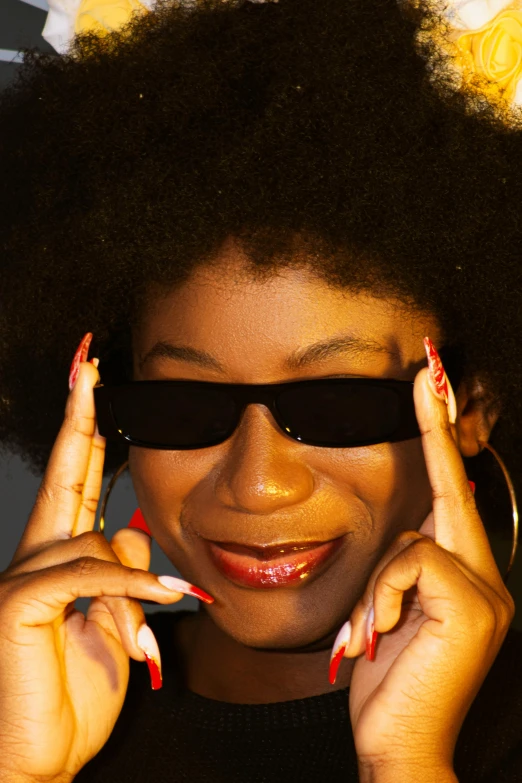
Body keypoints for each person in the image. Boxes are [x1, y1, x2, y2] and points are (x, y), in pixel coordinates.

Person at [0, 0, 521, 780]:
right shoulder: (39, 707)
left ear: (469, 406)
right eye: (184, 406)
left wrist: (406, 760)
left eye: (336, 404)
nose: (256, 482)